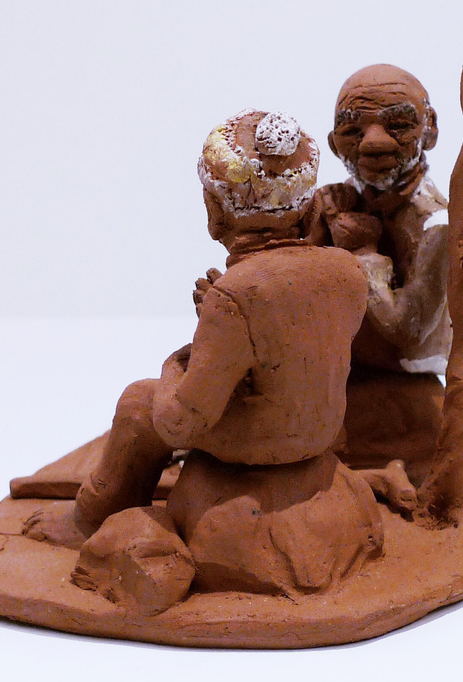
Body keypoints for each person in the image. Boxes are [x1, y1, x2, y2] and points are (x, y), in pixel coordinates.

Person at [71, 109, 381, 598]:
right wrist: (226, 316)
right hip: (318, 430)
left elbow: (180, 423)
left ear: (214, 212)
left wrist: (182, 360)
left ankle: (88, 520)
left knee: (139, 404)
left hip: (263, 440)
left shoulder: (235, 296)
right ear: (309, 212)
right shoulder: (347, 272)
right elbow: (293, 341)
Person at [314, 65, 453, 506]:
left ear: (429, 130)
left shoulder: (435, 223)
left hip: (402, 395)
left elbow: (406, 331)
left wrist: (361, 253)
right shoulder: (340, 201)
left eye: (398, 124)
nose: (373, 143)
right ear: (334, 143)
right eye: (353, 130)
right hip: (341, 377)